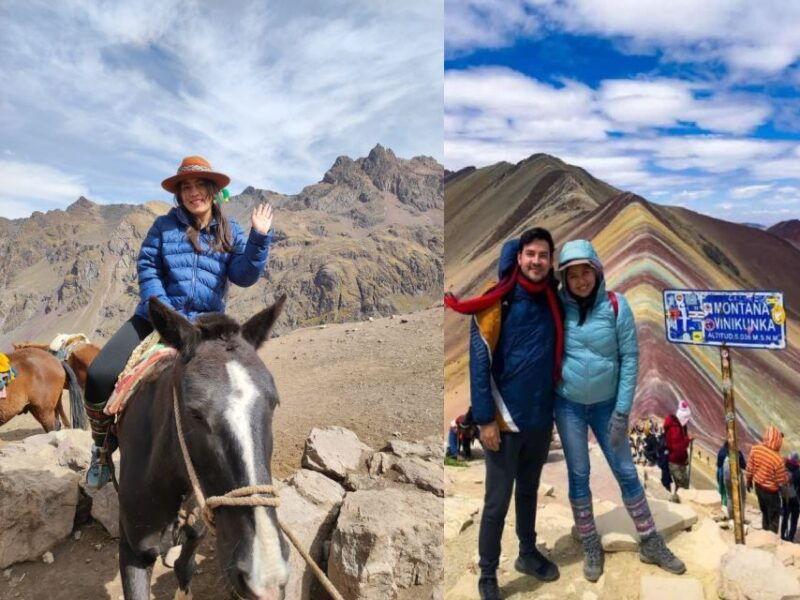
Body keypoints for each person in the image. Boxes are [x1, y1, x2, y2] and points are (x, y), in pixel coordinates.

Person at [83, 156, 274, 488]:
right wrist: (166, 314)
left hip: (206, 327)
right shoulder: (163, 227)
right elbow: (148, 268)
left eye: (200, 185)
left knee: (244, 389)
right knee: (99, 375)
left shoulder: (231, 230)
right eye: (186, 187)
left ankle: (234, 462)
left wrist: (259, 237)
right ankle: (100, 450)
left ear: (214, 190)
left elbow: (244, 275)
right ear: (179, 194)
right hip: (155, 318)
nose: (193, 192)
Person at [554, 239, 685, 583]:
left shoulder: (616, 306)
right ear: (563, 278)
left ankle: (650, 541)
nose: (580, 281)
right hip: (568, 405)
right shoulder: (556, 306)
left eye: (585, 272)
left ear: (597, 271)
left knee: (626, 471)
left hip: (606, 406)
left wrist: (622, 411)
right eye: (572, 275)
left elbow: (629, 359)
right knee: (579, 474)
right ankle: (590, 543)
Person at [444, 228, 564, 600]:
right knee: (496, 502)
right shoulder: (496, 301)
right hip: (503, 421)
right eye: (530, 254)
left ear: (551, 260)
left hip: (539, 420)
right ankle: (487, 573)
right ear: (519, 257)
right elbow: (479, 364)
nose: (536, 261)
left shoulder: (552, 300)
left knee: (528, 492)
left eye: (543, 255)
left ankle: (527, 553)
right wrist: (484, 420)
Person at [746, 425, 790, 534]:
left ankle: (764, 534)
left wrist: (748, 481)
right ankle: (771, 538)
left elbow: (750, 468)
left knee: (764, 512)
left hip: (758, 487)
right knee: (774, 516)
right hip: (771, 493)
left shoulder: (755, 449)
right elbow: (781, 481)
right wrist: (787, 479)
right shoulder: (777, 459)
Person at [663, 401, 693, 501]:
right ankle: (676, 503)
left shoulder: (680, 427)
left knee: (682, 485)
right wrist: (687, 440)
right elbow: (677, 448)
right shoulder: (674, 429)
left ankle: (677, 502)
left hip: (679, 461)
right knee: (682, 486)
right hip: (675, 462)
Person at [716, 442, 746, 521]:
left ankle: (731, 517)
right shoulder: (734, 454)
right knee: (741, 497)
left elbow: (719, 464)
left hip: (724, 476)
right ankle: (740, 518)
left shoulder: (722, 452)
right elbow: (743, 465)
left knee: (729, 497)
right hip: (733, 477)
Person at [782, 451, 800, 541]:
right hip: (795, 499)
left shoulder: (784, 468)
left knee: (785, 516)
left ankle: (782, 535)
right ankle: (790, 537)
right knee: (794, 519)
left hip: (785, 496)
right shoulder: (798, 472)